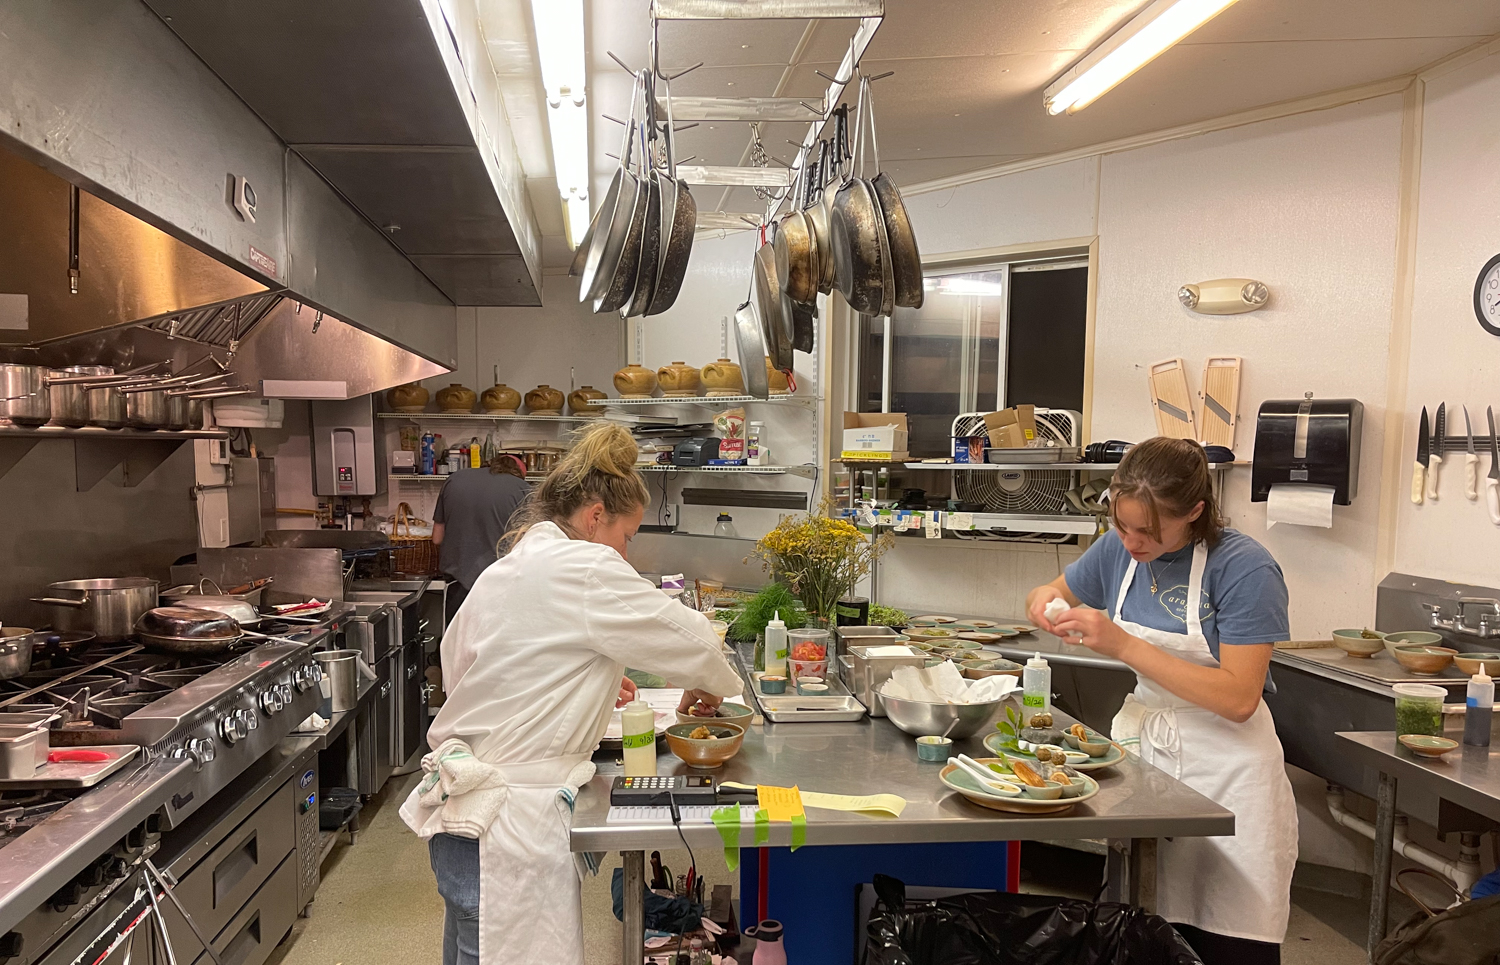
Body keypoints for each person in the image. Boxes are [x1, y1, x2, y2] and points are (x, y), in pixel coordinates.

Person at [401, 423, 743, 965]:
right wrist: (719, 681)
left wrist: (585, 681)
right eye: (628, 536)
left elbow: (465, 668)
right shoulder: (586, 566)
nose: (626, 554)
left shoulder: (506, 570)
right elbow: (692, 638)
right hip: (505, 834)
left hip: (463, 822)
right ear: (594, 517)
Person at [1025, 437, 1297, 965]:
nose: (1131, 541)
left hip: (1229, 770)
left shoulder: (1244, 568)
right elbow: (1048, 589)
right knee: (1140, 928)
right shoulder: (1117, 551)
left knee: (1227, 937)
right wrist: (1048, 605)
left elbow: (1240, 697)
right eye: (1121, 525)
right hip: (1149, 764)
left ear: (1195, 511)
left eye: (1147, 531)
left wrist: (1123, 644)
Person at [431, 452, 530, 620]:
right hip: (501, 587)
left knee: (456, 643)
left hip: (458, 587)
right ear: (518, 474)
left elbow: (437, 538)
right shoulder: (523, 489)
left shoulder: (455, 479)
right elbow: (529, 545)